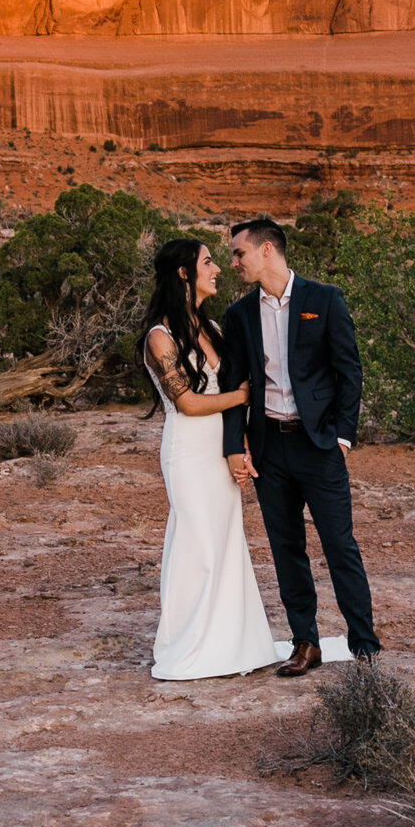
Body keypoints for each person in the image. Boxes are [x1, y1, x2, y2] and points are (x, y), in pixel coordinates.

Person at [221, 216, 379, 677]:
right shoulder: (239, 315)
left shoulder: (324, 299)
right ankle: (305, 643)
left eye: (239, 253)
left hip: (319, 445)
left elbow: (349, 371)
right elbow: (236, 383)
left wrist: (343, 437)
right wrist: (237, 446)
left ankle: (364, 642)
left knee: (339, 544)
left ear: (267, 249)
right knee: (286, 548)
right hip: (270, 448)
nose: (234, 262)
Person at [140, 238, 279, 680]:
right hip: (187, 452)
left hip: (218, 448)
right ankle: (189, 642)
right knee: (197, 542)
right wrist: (242, 395)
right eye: (208, 262)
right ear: (184, 273)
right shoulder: (160, 337)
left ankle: (231, 640)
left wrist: (237, 447)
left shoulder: (210, 326)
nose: (218, 268)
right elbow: (188, 402)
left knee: (225, 539)